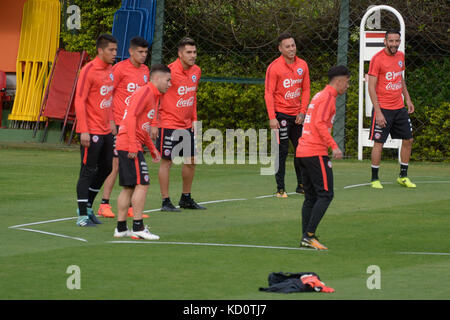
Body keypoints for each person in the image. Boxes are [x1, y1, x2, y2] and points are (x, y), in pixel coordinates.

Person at [113, 63, 170, 240]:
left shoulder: (153, 96)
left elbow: (141, 126)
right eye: (168, 80)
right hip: (130, 144)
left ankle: (121, 228)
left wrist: (152, 148)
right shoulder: (145, 92)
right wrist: (132, 144)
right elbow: (130, 117)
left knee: (129, 187)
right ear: (157, 79)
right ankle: (138, 226)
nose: (169, 84)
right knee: (143, 183)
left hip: (129, 142)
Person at [296, 65, 349, 250]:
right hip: (314, 152)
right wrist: (333, 146)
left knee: (311, 197)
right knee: (326, 194)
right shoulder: (328, 97)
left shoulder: (320, 95)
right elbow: (319, 123)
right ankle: (309, 236)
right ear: (339, 81)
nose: (347, 86)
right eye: (347, 82)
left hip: (303, 151)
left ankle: (306, 237)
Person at [150, 37, 206, 212]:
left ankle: (186, 197)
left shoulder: (197, 71)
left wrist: (195, 120)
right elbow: (155, 96)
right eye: (189, 52)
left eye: (194, 52)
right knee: (167, 162)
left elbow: (193, 96)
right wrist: (153, 122)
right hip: (168, 123)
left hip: (187, 124)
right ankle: (165, 201)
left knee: (191, 161)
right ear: (180, 54)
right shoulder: (170, 72)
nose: (193, 56)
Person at [98, 36, 151, 219]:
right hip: (120, 123)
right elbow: (108, 94)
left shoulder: (145, 71)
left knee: (131, 163)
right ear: (131, 51)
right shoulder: (119, 69)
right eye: (140, 52)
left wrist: (150, 123)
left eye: (145, 52)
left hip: (135, 126)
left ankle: (130, 205)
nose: (143, 55)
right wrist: (111, 120)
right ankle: (104, 203)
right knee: (116, 163)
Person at [74, 34, 117, 227]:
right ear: (100, 50)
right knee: (87, 170)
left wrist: (111, 121)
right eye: (111, 50)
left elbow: (107, 99)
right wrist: (83, 129)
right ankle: (82, 215)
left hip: (105, 129)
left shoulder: (110, 71)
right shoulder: (88, 70)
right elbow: (80, 100)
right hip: (90, 131)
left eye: (115, 50)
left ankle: (88, 205)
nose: (115, 54)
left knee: (107, 167)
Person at [368, 29, 416, 189]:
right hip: (383, 109)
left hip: (399, 107)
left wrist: (407, 99)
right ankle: (374, 179)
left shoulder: (401, 56)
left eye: (397, 41)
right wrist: (379, 112)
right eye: (391, 41)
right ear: (385, 41)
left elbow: (400, 78)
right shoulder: (377, 59)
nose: (394, 44)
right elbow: (371, 87)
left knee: (408, 140)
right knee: (379, 143)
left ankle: (403, 176)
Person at [265, 33, 310, 198]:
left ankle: (302, 185)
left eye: (293, 45)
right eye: (287, 46)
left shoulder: (303, 65)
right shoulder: (274, 67)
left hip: (297, 116)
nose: (291, 49)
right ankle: (280, 188)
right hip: (281, 116)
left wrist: (303, 111)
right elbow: (268, 93)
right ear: (280, 49)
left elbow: (305, 90)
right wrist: (272, 117)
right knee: (282, 152)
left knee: (302, 151)